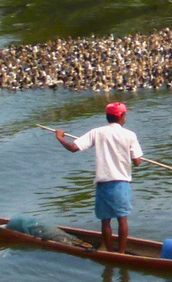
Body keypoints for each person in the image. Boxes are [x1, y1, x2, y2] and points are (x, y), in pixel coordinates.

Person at [56, 103, 144, 253]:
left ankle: (109, 251)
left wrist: (59, 137)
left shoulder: (97, 132)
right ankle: (121, 253)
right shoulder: (130, 135)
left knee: (106, 221)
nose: (126, 118)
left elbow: (73, 148)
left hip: (103, 183)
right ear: (121, 117)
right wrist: (134, 155)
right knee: (122, 219)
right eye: (125, 115)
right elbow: (137, 162)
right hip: (121, 183)